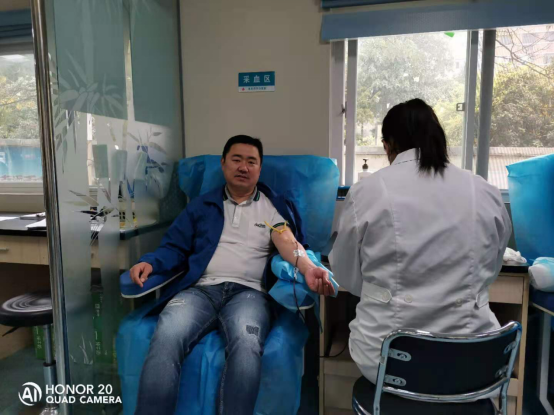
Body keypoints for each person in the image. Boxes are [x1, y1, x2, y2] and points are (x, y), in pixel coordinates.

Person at [130, 135, 334, 415]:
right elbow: (174, 246)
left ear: (259, 169)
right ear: (223, 163)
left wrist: (309, 268)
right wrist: (151, 262)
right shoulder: (202, 206)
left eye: (252, 162)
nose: (244, 167)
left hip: (249, 295)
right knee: (167, 336)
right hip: (200, 291)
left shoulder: (272, 206)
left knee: (247, 343)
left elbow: (289, 243)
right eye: (237, 159)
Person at [330, 98, 512, 384]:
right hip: (473, 359)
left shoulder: (366, 192)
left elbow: (346, 274)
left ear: (388, 145)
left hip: (387, 361)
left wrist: (384, 290)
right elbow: (493, 266)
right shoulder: (484, 190)